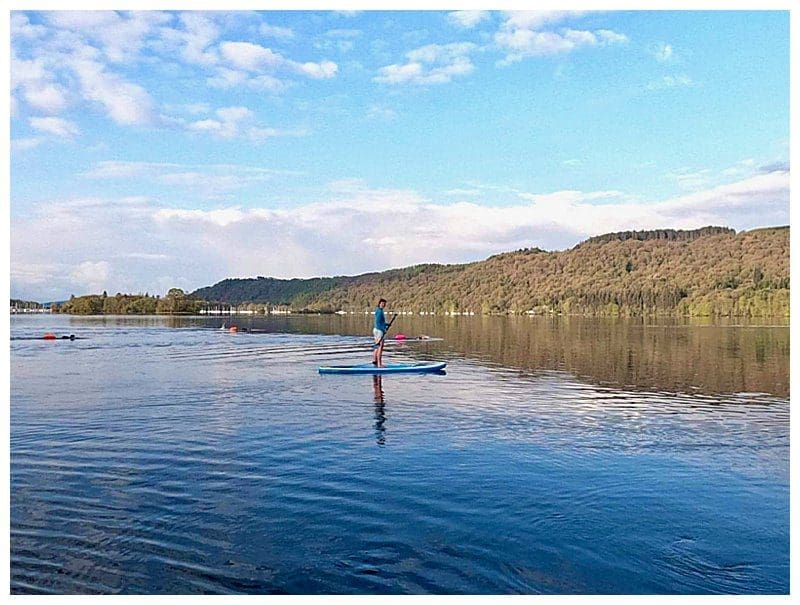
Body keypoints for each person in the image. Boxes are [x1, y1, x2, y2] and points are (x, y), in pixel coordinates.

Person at [372, 298, 390, 367]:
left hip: (376, 330)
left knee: (377, 345)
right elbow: (378, 322)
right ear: (379, 304)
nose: (384, 305)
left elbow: (381, 322)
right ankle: (379, 364)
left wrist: (386, 324)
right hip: (379, 331)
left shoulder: (378, 310)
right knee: (380, 347)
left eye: (384, 304)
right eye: (382, 303)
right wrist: (383, 329)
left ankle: (375, 361)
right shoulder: (380, 312)